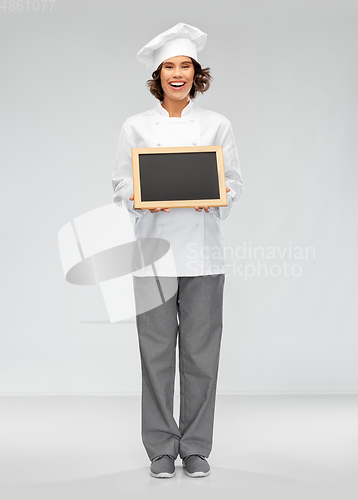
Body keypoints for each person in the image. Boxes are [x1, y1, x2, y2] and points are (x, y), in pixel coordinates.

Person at [112, 22, 243, 479]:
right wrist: (143, 195)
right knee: (156, 355)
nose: (177, 73)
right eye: (169, 66)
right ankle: (161, 448)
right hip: (153, 253)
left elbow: (234, 182)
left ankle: (196, 447)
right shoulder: (136, 126)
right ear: (158, 75)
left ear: (196, 73)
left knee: (201, 354)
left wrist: (217, 194)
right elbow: (121, 184)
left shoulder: (216, 124)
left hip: (204, 255)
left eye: (185, 65)